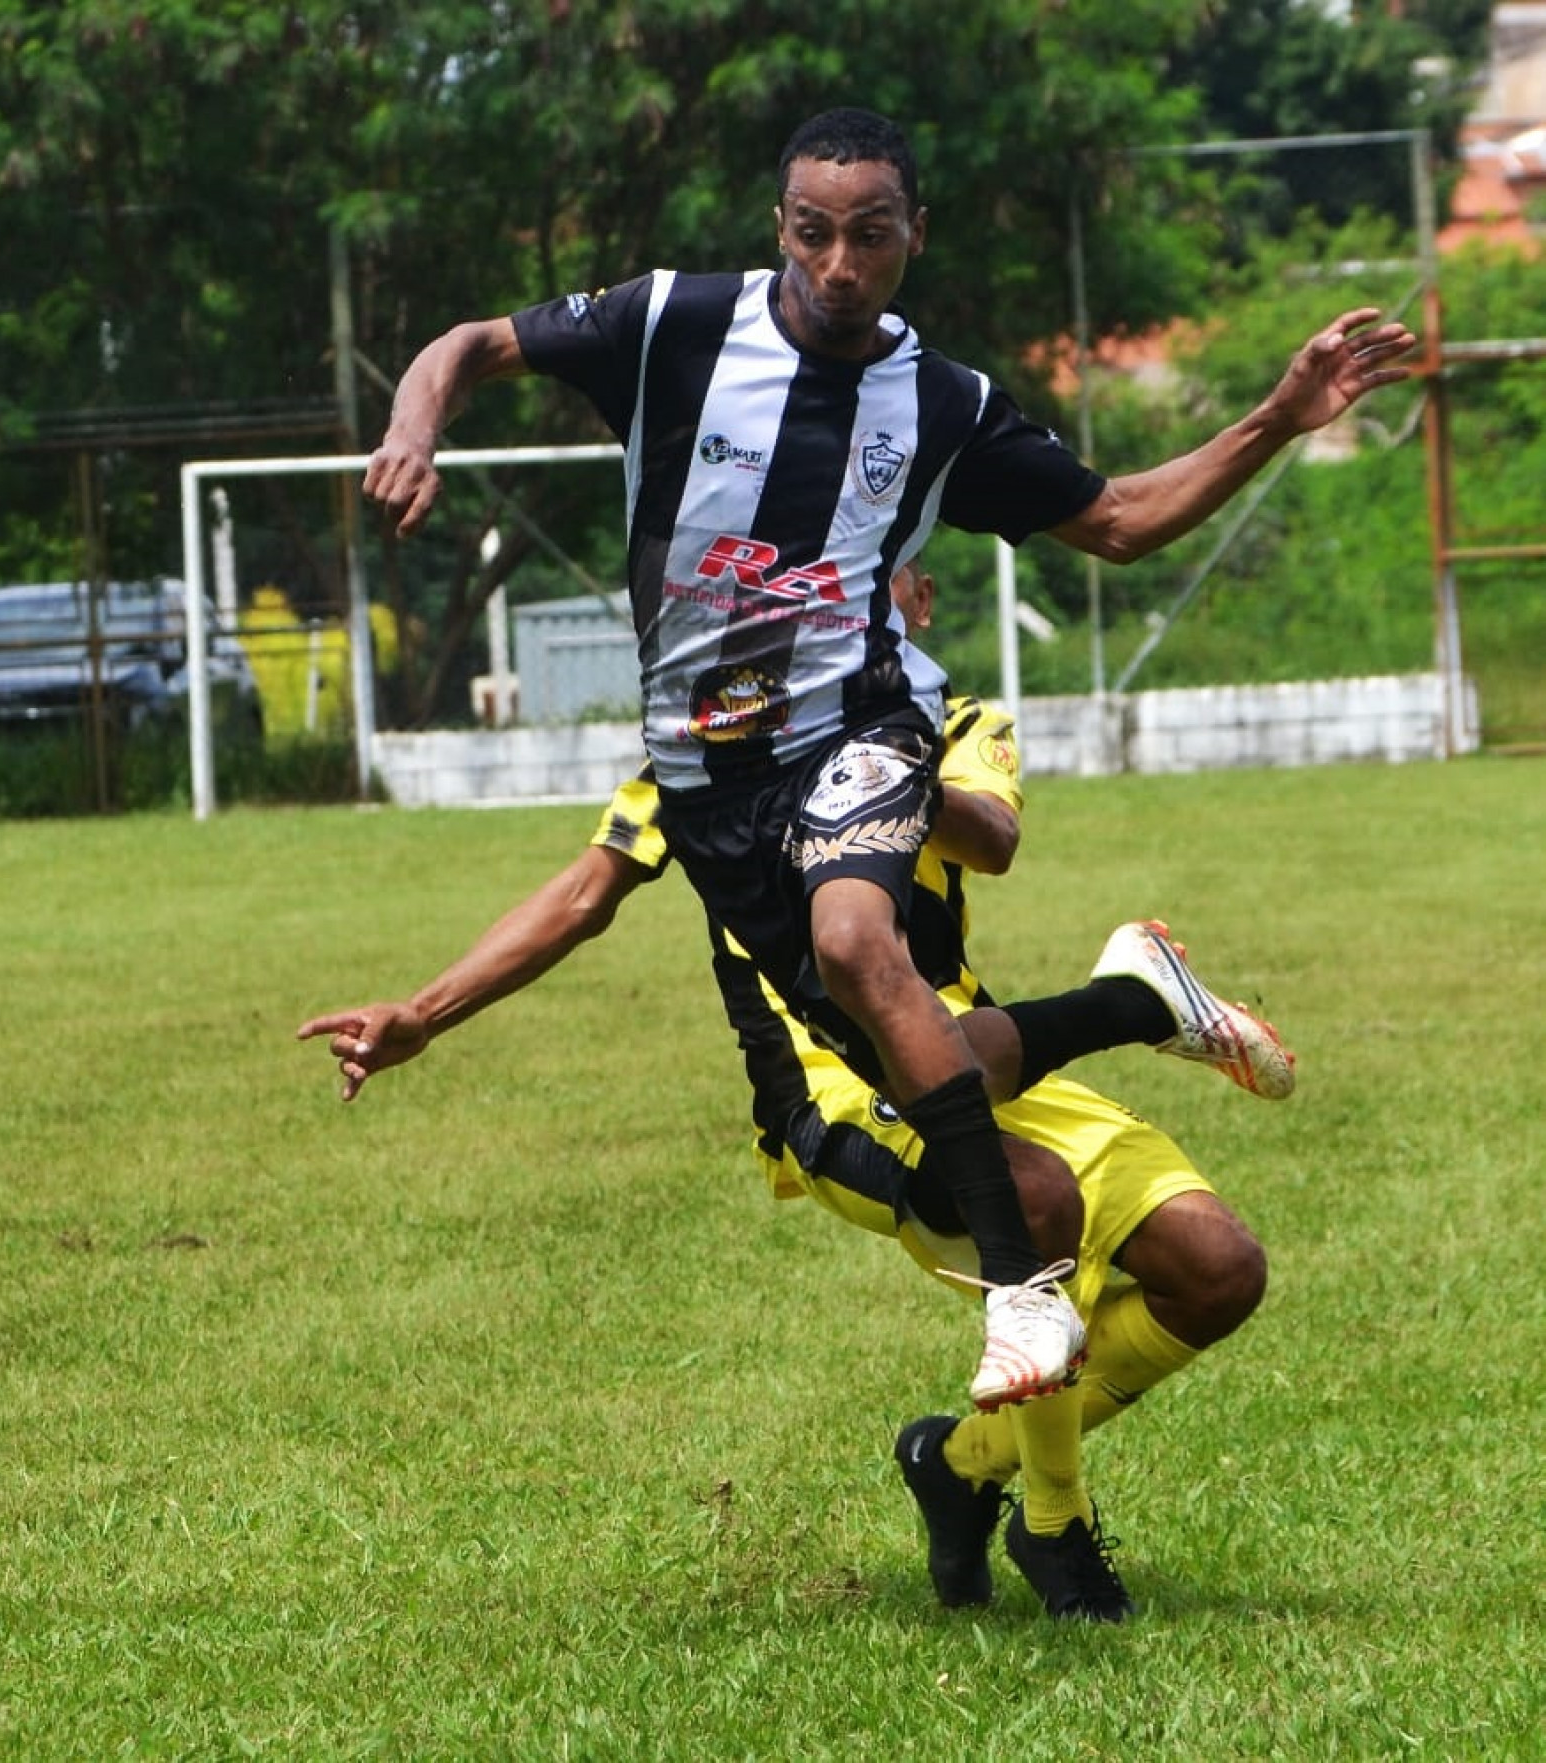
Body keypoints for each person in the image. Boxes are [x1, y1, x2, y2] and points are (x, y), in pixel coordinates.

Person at [360, 105, 1412, 1421]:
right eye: (812, 233)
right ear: (779, 229)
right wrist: (414, 426)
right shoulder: (673, 323)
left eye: (868, 235)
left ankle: (1023, 1286)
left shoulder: (943, 404)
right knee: (928, 1044)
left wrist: (1274, 413)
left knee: (863, 941)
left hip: (861, 722)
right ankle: (1131, 1002)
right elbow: (469, 342)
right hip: (710, 776)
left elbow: (1118, 520)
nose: (838, 264)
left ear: (914, 233)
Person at [300, 565, 1285, 1621]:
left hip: (971, 1054)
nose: (855, 593)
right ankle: (1054, 1524)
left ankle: (956, 1463)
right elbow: (584, 893)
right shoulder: (707, 754)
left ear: (917, 598)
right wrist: (424, 1010)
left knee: (1218, 1268)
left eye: (884, 570)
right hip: (831, 1089)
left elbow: (990, 841)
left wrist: (872, 750)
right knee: (1033, 1198)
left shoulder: (961, 722)